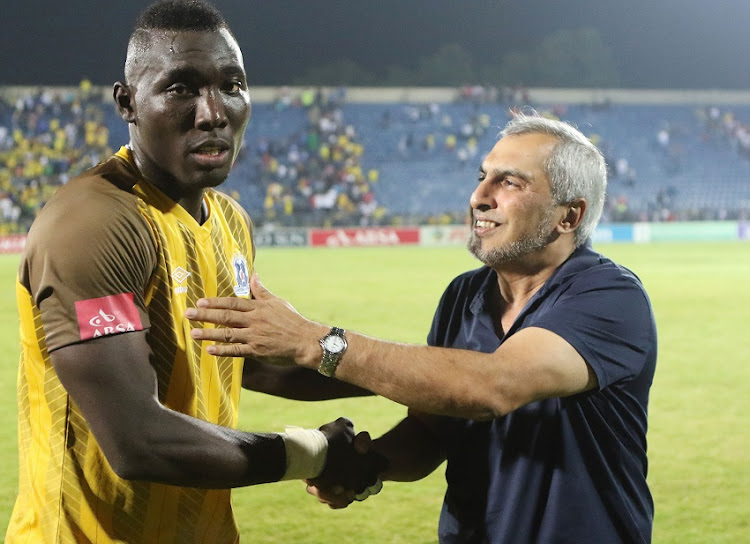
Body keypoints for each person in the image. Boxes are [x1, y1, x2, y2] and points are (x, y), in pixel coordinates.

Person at [6, 1, 383, 542]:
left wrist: (405, 381)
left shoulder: (230, 221)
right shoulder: (94, 224)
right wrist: (316, 455)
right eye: (181, 88)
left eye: (232, 85)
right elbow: (138, 438)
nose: (213, 111)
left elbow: (250, 363)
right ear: (127, 102)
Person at [187, 113, 658, 543]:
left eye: (509, 182)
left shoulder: (607, 298)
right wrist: (369, 464)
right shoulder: (465, 296)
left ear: (569, 215)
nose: (479, 196)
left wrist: (314, 341)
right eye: (482, 176)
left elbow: (490, 387)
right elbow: (433, 432)